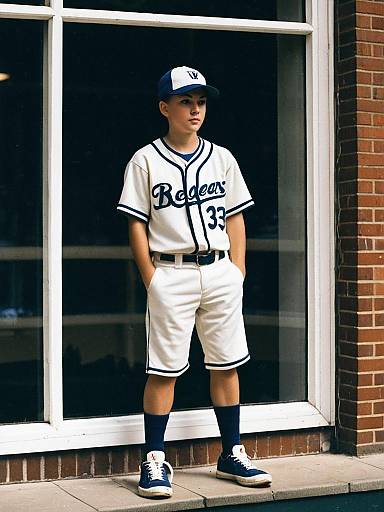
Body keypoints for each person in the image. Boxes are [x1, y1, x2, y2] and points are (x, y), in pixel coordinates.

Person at [117, 66, 272, 499]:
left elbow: (237, 215)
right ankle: (153, 458)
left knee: (226, 363)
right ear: (165, 108)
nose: (195, 109)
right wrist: (151, 276)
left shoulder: (221, 157)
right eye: (186, 101)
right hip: (172, 271)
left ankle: (232, 452)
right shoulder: (145, 159)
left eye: (201, 101)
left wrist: (237, 269)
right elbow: (135, 222)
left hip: (219, 270)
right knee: (164, 370)